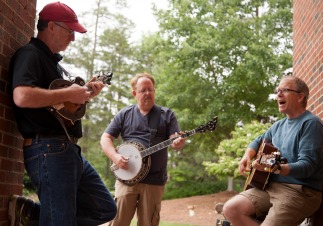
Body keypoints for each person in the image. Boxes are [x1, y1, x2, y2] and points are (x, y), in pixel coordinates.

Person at [8, 2, 116, 225]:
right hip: (48, 149)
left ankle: (31, 215)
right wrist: (69, 92)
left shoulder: (54, 64)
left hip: (66, 149)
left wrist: (82, 95)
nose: (73, 38)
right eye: (70, 31)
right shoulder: (30, 54)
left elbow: (59, 108)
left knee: (104, 209)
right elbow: (21, 96)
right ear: (52, 27)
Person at [223, 75, 323, 226]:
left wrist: (278, 168)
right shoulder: (278, 125)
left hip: (300, 192)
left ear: (300, 97)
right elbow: (258, 140)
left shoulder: (311, 124)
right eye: (278, 91)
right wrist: (247, 155)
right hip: (270, 188)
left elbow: (307, 166)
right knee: (231, 209)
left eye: (285, 90)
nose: (279, 94)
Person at [100, 72, 186, 226]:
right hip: (126, 178)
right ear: (135, 93)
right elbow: (105, 138)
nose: (148, 93)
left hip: (154, 181)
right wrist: (115, 157)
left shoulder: (167, 115)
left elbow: (174, 138)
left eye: (150, 90)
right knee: (117, 221)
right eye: (143, 90)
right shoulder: (124, 114)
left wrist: (177, 142)